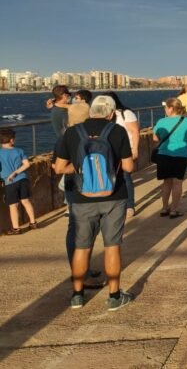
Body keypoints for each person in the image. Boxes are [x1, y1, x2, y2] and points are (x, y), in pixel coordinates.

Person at [53, 95, 135, 311]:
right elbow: (128, 167)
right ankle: (114, 296)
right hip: (114, 197)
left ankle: (77, 295)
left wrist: (79, 170)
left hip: (81, 198)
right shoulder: (116, 131)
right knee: (112, 246)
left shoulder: (72, 132)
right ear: (111, 113)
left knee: (82, 247)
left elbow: (59, 168)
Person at [152, 98, 187, 218]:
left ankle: (164, 208)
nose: (165, 110)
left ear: (171, 108)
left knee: (166, 182)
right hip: (181, 155)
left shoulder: (161, 122)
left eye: (166, 107)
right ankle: (174, 210)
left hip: (164, 154)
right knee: (177, 182)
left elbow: (155, 139)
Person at [105, 92, 140, 218]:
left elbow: (135, 131)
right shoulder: (106, 115)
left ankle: (130, 205)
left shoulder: (126, 113)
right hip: (109, 151)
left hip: (126, 149)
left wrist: (135, 150)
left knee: (125, 177)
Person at [0, 129, 37, 234]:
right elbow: (27, 164)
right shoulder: (19, 150)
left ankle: (16, 228)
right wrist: (16, 172)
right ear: (12, 140)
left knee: (13, 205)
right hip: (22, 179)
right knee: (25, 201)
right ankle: (33, 223)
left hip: (9, 182)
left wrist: (11, 174)